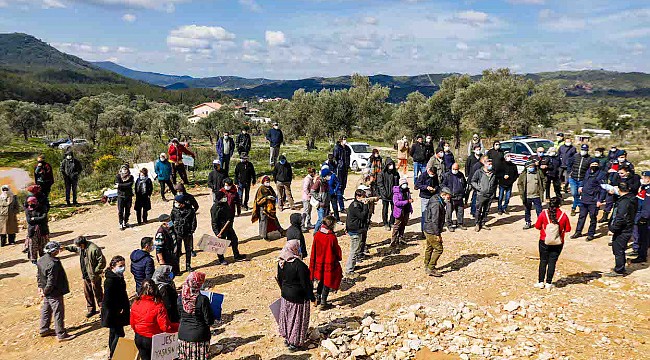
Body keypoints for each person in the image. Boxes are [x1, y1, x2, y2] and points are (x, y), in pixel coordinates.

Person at [276, 240, 315, 350]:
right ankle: (294, 343)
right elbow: (306, 284)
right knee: (297, 319)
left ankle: (287, 338)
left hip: (285, 295)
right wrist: (312, 297)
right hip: (298, 297)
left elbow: (279, 279)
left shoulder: (281, 262)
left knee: (287, 318)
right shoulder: (299, 265)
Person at [130, 279, 178, 360]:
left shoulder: (135, 302)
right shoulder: (158, 305)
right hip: (153, 339)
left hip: (139, 337)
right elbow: (165, 327)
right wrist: (177, 327)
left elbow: (132, 323)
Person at [37, 241, 75, 341]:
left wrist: (40, 288)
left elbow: (39, 275)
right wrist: (45, 291)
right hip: (54, 292)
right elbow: (51, 282)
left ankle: (44, 329)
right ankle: (61, 334)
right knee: (58, 312)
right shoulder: (53, 264)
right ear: (54, 251)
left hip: (46, 290)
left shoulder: (41, 260)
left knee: (46, 310)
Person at [534, 197, 571, 290]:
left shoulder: (544, 214)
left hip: (544, 240)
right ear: (560, 205)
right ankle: (549, 283)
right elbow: (568, 229)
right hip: (558, 242)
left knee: (543, 261)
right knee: (552, 262)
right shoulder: (563, 215)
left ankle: (540, 282)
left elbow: (537, 226)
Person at [65, 236, 106, 318]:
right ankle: (91, 309)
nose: (78, 247)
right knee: (88, 292)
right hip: (86, 275)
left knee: (98, 293)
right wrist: (66, 248)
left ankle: (103, 309)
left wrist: (96, 271)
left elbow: (102, 261)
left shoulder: (94, 249)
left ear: (82, 244)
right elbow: (75, 249)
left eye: (79, 246)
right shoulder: (81, 248)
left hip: (94, 275)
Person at [178, 272, 215, 359]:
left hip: (183, 335)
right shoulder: (203, 299)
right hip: (199, 337)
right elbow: (209, 320)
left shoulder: (180, 298)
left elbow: (179, 315)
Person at [309, 216, 342, 309]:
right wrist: (339, 257)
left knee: (321, 280)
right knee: (327, 281)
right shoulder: (331, 237)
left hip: (318, 261)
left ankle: (318, 298)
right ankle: (323, 302)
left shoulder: (317, 234)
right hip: (329, 261)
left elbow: (314, 249)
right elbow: (336, 250)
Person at [101, 255, 130, 359]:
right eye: (120, 265)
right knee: (119, 334)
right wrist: (118, 310)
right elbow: (108, 299)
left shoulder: (117, 277)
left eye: (124, 265)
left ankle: (112, 354)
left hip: (116, 311)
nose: (123, 268)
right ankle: (114, 355)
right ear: (113, 266)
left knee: (113, 333)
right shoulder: (110, 281)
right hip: (114, 312)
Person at [571, 159, 606, 241]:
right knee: (581, 216)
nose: (594, 165)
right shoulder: (588, 171)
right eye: (592, 163)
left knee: (593, 218)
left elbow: (603, 188)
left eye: (595, 164)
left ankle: (591, 234)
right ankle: (578, 232)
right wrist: (581, 186)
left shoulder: (601, 174)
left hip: (594, 199)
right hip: (584, 198)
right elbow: (584, 180)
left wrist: (600, 200)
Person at [607, 182, 637, 277]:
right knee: (619, 248)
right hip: (627, 227)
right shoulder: (631, 198)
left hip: (622, 229)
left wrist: (613, 229)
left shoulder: (624, 202)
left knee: (618, 249)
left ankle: (619, 270)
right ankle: (620, 267)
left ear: (619, 190)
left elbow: (620, 217)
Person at [211, 191, 246, 264]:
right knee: (221, 245)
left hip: (228, 226)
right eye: (223, 197)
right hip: (221, 228)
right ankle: (221, 259)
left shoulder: (225, 204)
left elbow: (230, 213)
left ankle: (237, 255)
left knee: (234, 240)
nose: (225, 198)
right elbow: (214, 222)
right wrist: (217, 233)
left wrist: (231, 219)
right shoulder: (215, 208)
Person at [423, 187, 451, 277]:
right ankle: (431, 268)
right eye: (448, 197)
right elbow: (435, 220)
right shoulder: (437, 204)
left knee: (430, 247)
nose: (449, 199)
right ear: (443, 195)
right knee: (439, 249)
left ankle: (427, 265)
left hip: (427, 228)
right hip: (431, 230)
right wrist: (437, 234)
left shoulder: (435, 198)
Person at [345, 189, 370, 278]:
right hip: (354, 230)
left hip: (356, 229)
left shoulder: (357, 204)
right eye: (363, 197)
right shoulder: (355, 206)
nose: (364, 199)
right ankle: (349, 270)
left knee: (356, 249)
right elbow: (362, 216)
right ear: (357, 197)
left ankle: (352, 266)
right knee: (354, 251)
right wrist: (366, 205)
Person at [253, 176, 284, 240]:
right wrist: (266, 198)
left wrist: (273, 198)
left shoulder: (270, 188)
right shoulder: (261, 189)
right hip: (263, 209)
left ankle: (279, 231)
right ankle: (263, 235)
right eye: (267, 182)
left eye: (269, 182)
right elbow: (258, 201)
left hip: (270, 209)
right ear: (263, 182)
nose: (268, 183)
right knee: (263, 221)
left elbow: (274, 195)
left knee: (274, 220)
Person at [172, 195, 197, 273]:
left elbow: (194, 222)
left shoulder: (190, 211)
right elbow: (171, 221)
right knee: (177, 252)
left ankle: (188, 265)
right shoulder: (174, 210)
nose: (176, 204)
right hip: (177, 234)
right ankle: (177, 268)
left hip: (187, 233)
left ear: (182, 203)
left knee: (188, 250)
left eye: (177, 202)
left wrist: (191, 231)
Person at [517, 160, 545, 230]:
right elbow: (519, 184)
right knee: (527, 210)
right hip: (527, 196)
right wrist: (521, 192)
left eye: (533, 166)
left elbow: (543, 180)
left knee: (539, 210)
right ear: (526, 167)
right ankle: (528, 222)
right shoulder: (523, 175)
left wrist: (542, 189)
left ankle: (540, 223)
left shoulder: (538, 173)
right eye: (530, 166)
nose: (531, 168)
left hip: (537, 196)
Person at [472, 157, 497, 232]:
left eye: (491, 164)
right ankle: (477, 224)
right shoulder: (479, 172)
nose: (490, 165)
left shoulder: (493, 172)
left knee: (486, 210)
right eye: (489, 164)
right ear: (485, 164)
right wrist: (479, 188)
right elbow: (473, 181)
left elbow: (495, 183)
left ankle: (483, 223)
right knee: (478, 209)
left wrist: (493, 192)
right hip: (481, 194)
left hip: (490, 195)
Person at [415, 166, 439, 236]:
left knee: (432, 214)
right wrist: (426, 187)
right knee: (424, 214)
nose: (432, 175)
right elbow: (417, 185)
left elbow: (437, 184)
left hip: (432, 196)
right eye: (431, 174)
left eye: (434, 174)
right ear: (429, 171)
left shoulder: (435, 175)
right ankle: (423, 231)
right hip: (424, 197)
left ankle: (431, 230)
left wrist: (435, 189)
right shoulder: (423, 175)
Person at [631, 171, 649, 263]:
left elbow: (647, 205)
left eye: (645, 178)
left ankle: (642, 255)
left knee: (643, 236)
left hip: (644, 215)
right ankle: (638, 251)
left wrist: (644, 217)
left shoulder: (649, 189)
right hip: (639, 213)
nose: (643, 179)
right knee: (638, 233)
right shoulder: (643, 187)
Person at [568, 144, 591, 216]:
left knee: (579, 194)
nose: (583, 151)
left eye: (585, 150)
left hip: (582, 179)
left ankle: (574, 208)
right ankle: (579, 205)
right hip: (573, 178)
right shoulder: (575, 156)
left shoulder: (589, 159)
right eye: (582, 150)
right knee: (574, 194)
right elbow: (569, 164)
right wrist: (569, 172)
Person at [442, 163, 466, 231]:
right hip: (450, 197)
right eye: (454, 169)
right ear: (451, 168)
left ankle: (460, 223)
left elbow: (464, 184)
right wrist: (447, 194)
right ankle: (449, 225)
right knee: (449, 212)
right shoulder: (447, 175)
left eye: (456, 169)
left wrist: (463, 193)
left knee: (460, 211)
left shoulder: (460, 175)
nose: (455, 170)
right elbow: (443, 185)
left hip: (459, 197)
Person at [377, 158, 399, 230]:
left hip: (393, 194)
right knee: (385, 209)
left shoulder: (395, 173)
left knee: (394, 209)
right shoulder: (382, 173)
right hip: (385, 195)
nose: (391, 166)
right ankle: (385, 223)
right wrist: (384, 193)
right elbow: (380, 184)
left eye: (392, 164)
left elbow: (397, 184)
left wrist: (396, 193)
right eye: (389, 164)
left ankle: (391, 222)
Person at [391, 177, 414, 251]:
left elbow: (409, 199)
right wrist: (407, 201)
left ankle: (401, 238)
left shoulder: (407, 191)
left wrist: (410, 208)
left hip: (406, 210)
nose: (405, 185)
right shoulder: (396, 193)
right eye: (403, 184)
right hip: (399, 211)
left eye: (406, 184)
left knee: (403, 225)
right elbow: (396, 203)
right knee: (397, 226)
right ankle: (393, 241)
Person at [25, 196, 49, 263]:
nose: (30, 204)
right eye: (29, 202)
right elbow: (29, 221)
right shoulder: (28, 210)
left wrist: (34, 219)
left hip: (42, 229)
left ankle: (44, 258)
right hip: (32, 230)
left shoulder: (42, 207)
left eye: (31, 202)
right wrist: (38, 219)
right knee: (33, 245)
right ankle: (34, 259)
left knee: (43, 244)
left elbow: (44, 218)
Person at [333, 136, 352, 211]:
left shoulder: (347, 148)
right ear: (340, 140)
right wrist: (336, 166)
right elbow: (335, 158)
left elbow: (349, 156)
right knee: (339, 183)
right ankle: (338, 196)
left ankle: (341, 194)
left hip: (345, 167)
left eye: (345, 139)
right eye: (344, 139)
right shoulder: (337, 148)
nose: (345, 140)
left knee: (344, 183)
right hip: (339, 168)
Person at [311, 169, 331, 234]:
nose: (329, 176)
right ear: (325, 176)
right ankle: (315, 232)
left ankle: (323, 231)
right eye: (328, 175)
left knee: (326, 219)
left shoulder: (326, 182)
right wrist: (319, 198)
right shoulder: (319, 182)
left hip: (326, 204)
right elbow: (312, 191)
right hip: (321, 205)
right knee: (321, 219)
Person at [465, 145, 483, 214]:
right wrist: (467, 175)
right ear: (474, 150)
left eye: (479, 149)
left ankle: (474, 208)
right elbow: (467, 166)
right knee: (468, 190)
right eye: (477, 149)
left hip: (479, 178)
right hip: (471, 176)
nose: (478, 151)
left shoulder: (482, 157)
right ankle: (466, 201)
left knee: (475, 194)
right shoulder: (470, 158)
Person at [116, 164, 134, 230]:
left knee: (127, 210)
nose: (124, 170)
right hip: (120, 196)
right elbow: (117, 184)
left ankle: (125, 222)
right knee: (120, 211)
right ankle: (121, 223)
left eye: (126, 169)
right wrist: (123, 185)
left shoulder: (131, 177)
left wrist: (120, 185)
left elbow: (130, 185)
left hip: (128, 195)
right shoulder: (118, 176)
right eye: (123, 169)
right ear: (121, 170)